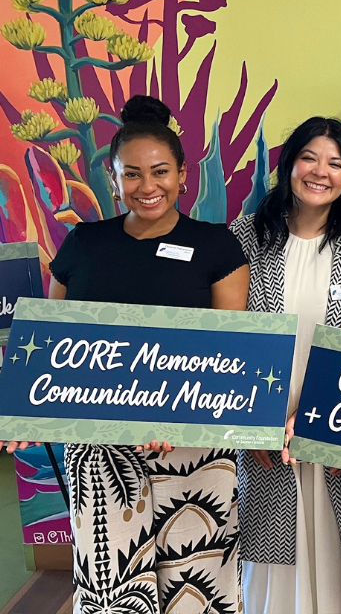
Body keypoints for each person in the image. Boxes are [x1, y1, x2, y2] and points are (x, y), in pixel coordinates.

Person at [46, 95, 250, 614]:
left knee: (195, 586)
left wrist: (180, 416)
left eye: (160, 171)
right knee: (110, 591)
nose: (146, 186)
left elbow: (233, 350)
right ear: (113, 180)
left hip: (192, 450)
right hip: (101, 451)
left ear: (183, 175)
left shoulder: (216, 246)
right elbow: (53, 345)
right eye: (130, 174)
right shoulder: (84, 245)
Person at [230, 118, 341, 614]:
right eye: (309, 157)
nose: (320, 171)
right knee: (270, 564)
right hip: (267, 432)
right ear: (289, 162)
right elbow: (228, 337)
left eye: (335, 163)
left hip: (338, 427)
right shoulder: (247, 237)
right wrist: (253, 424)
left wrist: (330, 415)